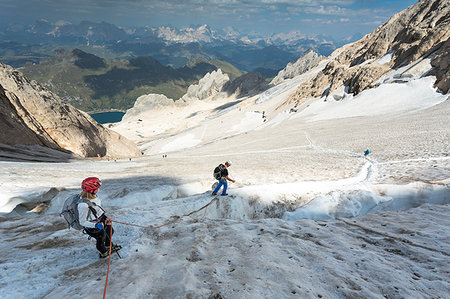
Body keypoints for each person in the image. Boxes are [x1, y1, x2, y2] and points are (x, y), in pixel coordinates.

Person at [79, 177, 120, 258]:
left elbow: (97, 210)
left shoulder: (94, 197)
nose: (98, 189)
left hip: (101, 219)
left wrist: (105, 217)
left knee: (110, 231)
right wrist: (96, 225)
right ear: (92, 190)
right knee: (101, 238)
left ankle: (109, 246)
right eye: (97, 188)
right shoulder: (83, 205)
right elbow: (82, 222)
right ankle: (103, 252)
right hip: (92, 226)